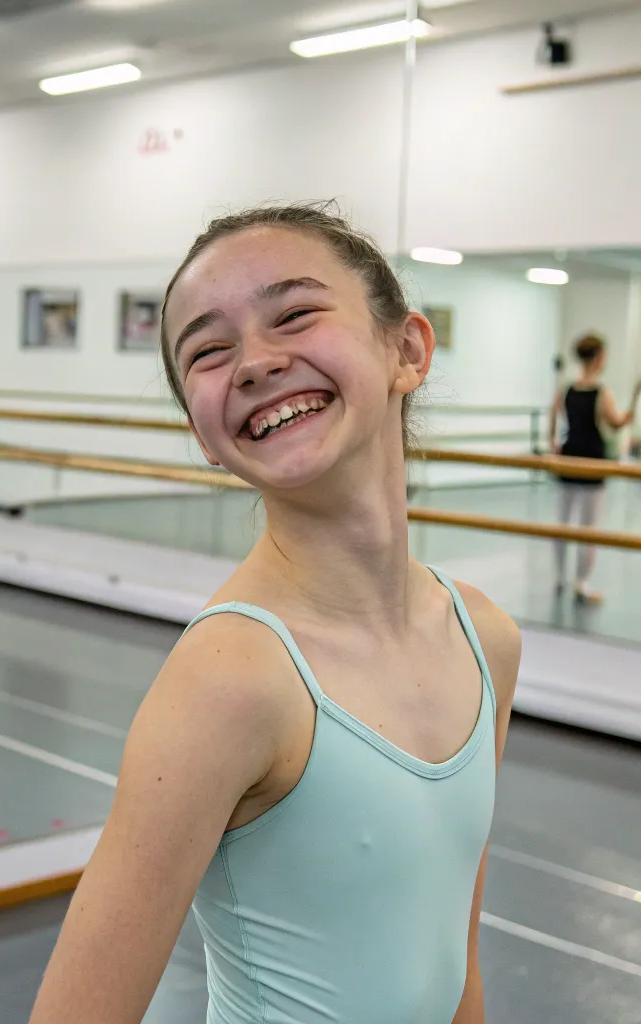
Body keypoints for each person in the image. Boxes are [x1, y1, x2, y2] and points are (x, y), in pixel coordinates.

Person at [29, 203, 520, 1024]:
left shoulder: (485, 639)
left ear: (407, 350)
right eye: (209, 352)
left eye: (293, 314)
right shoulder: (232, 678)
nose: (255, 362)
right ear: (202, 430)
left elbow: (454, 964)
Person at [548, 334, 641, 605]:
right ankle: (582, 582)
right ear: (599, 357)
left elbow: (552, 413)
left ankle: (559, 578)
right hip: (592, 463)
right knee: (589, 528)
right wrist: (635, 398)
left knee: (562, 524)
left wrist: (552, 442)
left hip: (568, 458)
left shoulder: (566, 389)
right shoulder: (602, 392)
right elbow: (617, 423)